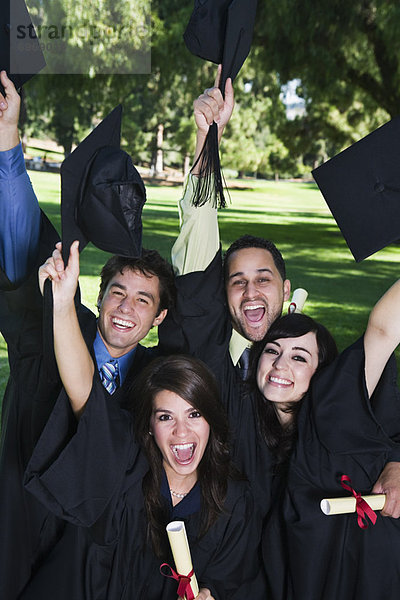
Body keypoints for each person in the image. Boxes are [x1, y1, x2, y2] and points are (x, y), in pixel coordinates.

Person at [0, 70, 175, 599]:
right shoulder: (49, 327)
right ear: (98, 295)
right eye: (117, 292)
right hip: (18, 528)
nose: (126, 308)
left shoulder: (156, 385)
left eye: (144, 300)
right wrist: (9, 137)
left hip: (92, 564)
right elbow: (20, 234)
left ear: (159, 319)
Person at [22, 242, 267, 598]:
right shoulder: (126, 466)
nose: (181, 431)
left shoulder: (234, 500)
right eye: (165, 416)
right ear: (148, 425)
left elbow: (236, 582)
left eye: (195, 414)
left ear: (213, 419)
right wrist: (62, 304)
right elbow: (85, 394)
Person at [250, 296, 400, 598]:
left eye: (299, 357)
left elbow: (384, 330)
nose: (280, 364)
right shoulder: (247, 429)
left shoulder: (331, 419)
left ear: (325, 375)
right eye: (272, 350)